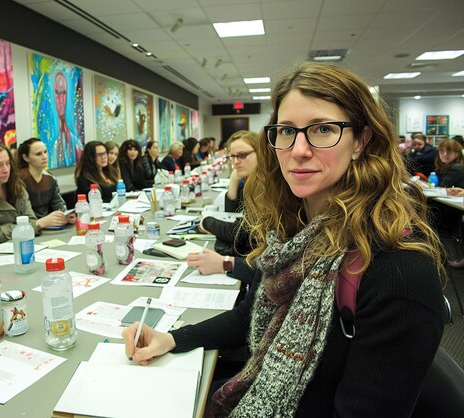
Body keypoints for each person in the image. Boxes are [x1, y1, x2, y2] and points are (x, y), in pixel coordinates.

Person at [123, 62, 445, 416]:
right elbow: (249, 314)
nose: (299, 150)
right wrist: (172, 339)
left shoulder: (397, 270)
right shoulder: (291, 231)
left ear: (361, 141)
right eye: (286, 131)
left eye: (323, 129)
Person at [188, 130, 259, 279]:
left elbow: (243, 234)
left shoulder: (266, 188)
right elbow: (233, 215)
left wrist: (207, 222)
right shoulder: (250, 182)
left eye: (242, 155)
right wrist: (233, 180)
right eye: (233, 156)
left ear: (261, 153)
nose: (235, 162)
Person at [17, 138, 75, 227]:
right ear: (26, 158)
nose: (44, 156)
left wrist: (66, 215)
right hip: (28, 227)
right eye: (38, 154)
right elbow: (21, 212)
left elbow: (58, 204)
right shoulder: (19, 179)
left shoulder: (50, 178)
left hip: (49, 226)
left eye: (45, 152)